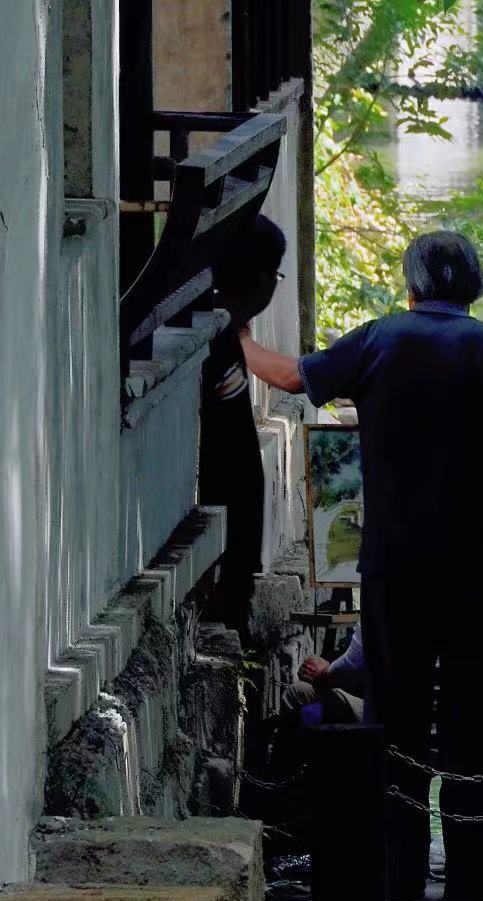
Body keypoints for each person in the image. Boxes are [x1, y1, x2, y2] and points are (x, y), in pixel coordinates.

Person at [239, 231, 483, 901]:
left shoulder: (378, 341)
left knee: (395, 715)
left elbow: (292, 376)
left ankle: (401, 872)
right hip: (472, 575)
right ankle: (468, 874)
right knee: (468, 719)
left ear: (409, 286)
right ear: (473, 287)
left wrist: (237, 338)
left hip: (391, 571)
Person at [199, 215, 288, 638]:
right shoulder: (217, 341)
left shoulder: (220, 333)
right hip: (221, 552)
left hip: (224, 547)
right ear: (261, 279)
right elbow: (232, 453)